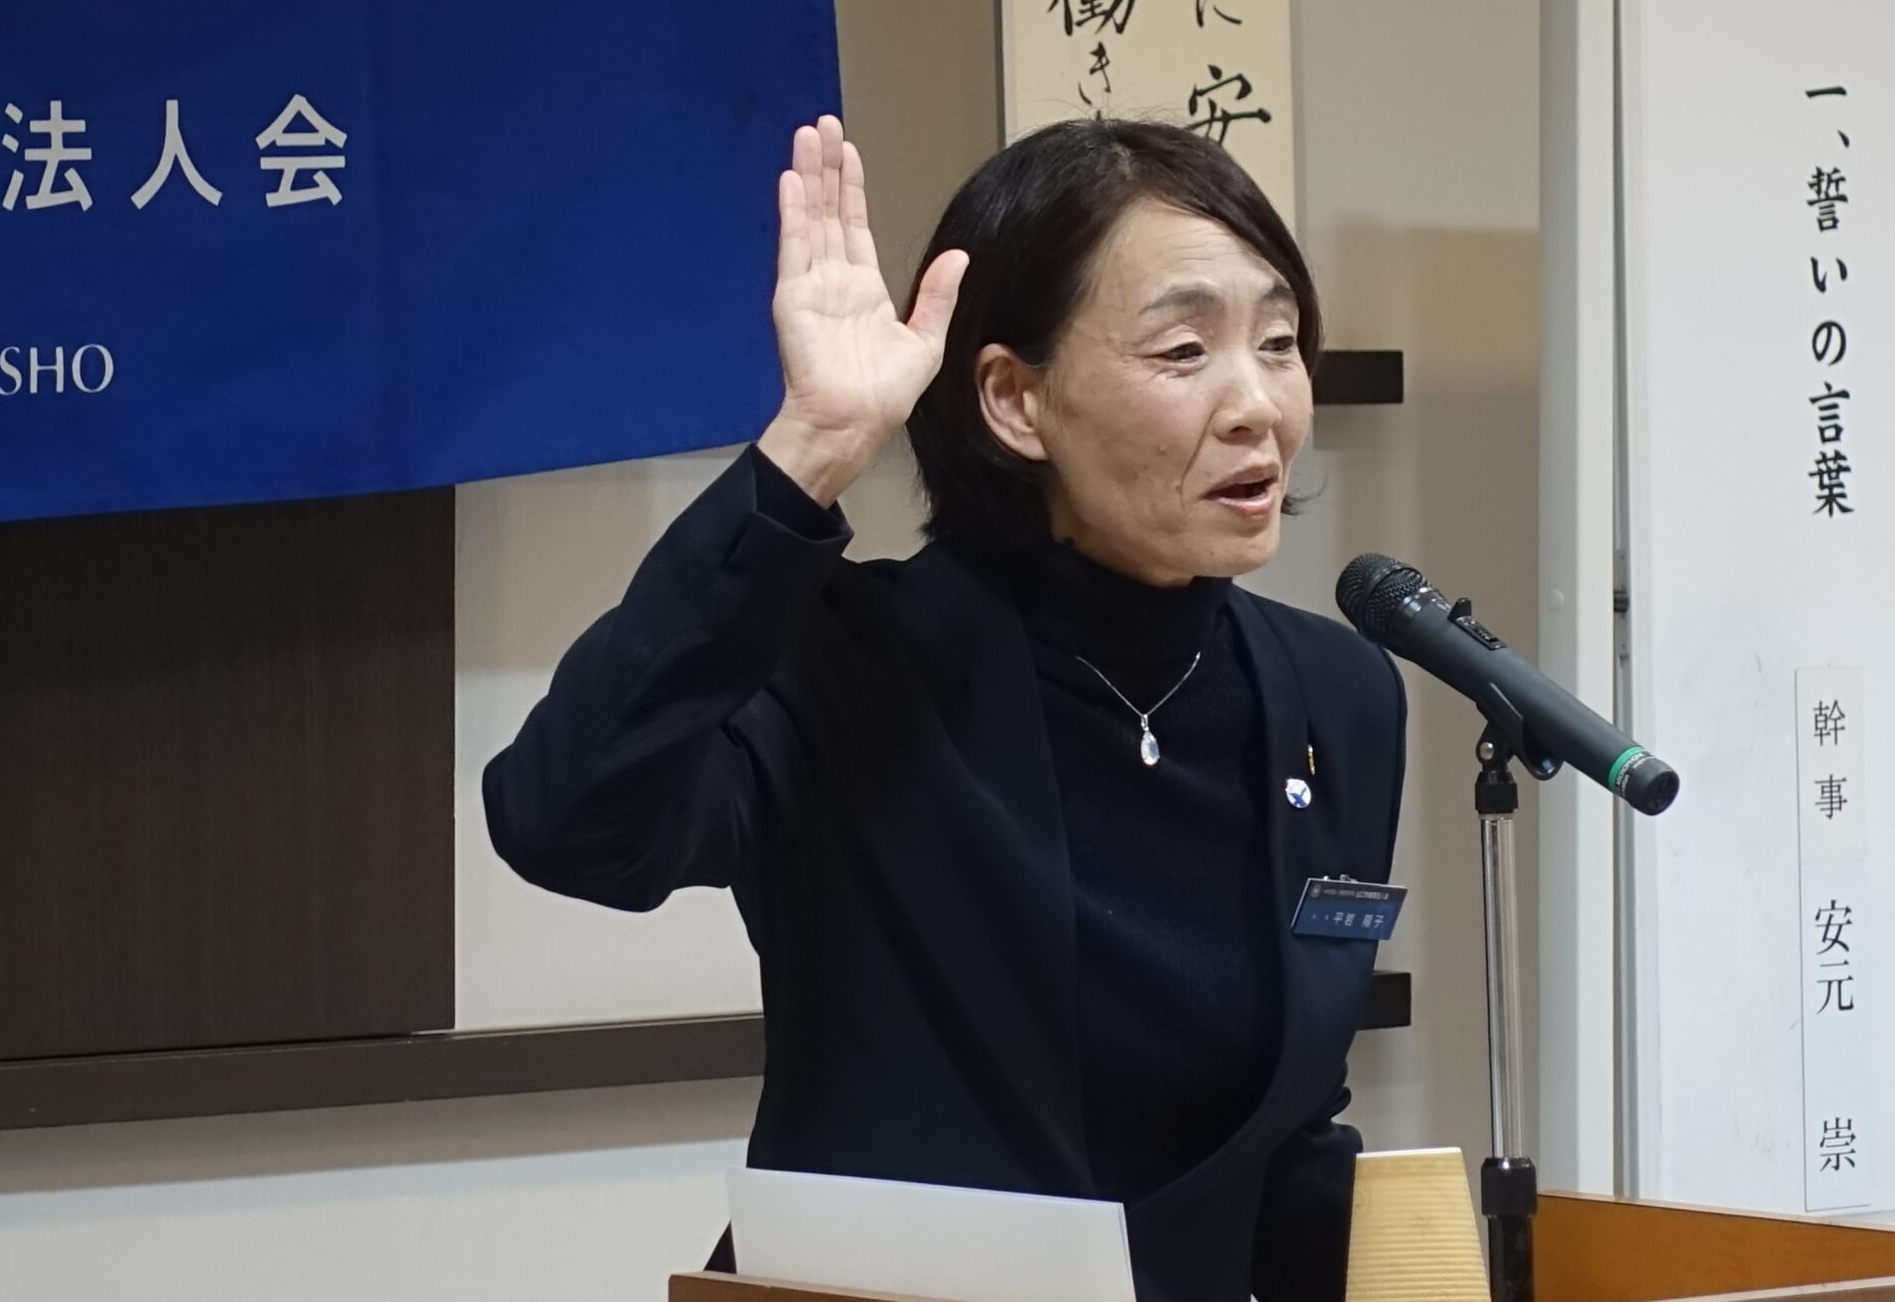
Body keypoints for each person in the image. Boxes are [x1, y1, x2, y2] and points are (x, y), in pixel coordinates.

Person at [484, 114, 1405, 1302]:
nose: (1257, 406)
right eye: (1184, 351)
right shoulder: (851, 660)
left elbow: (1281, 1139)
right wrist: (813, 448)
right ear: (1014, 400)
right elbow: (566, 823)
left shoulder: (1336, 696)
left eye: (1278, 343)